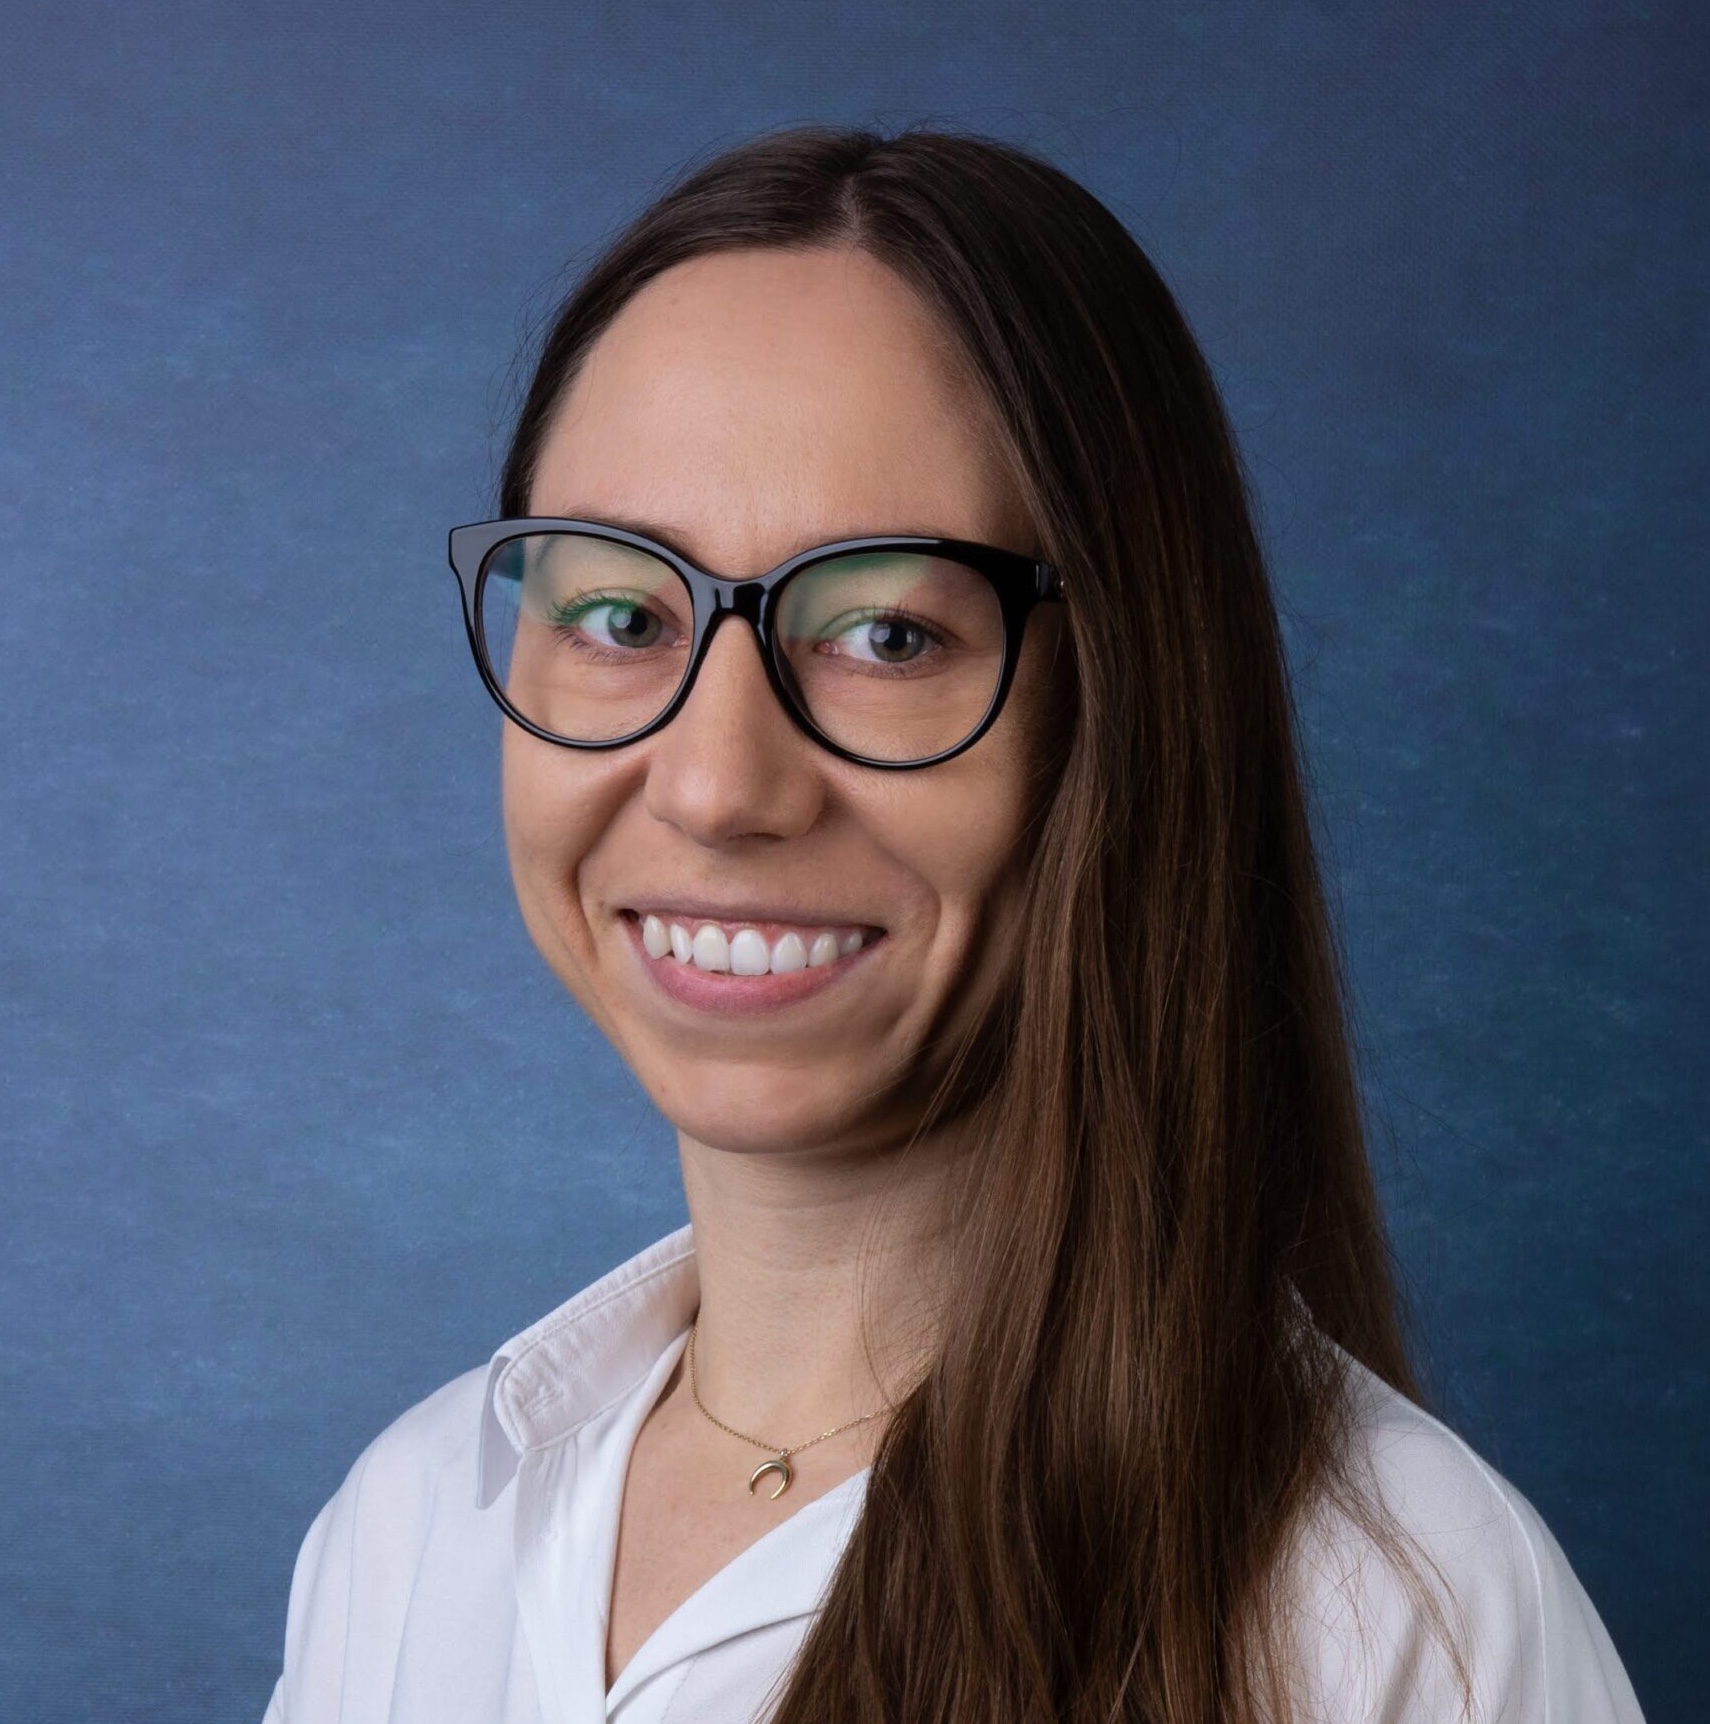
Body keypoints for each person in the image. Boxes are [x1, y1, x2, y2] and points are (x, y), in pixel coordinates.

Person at [261, 124, 1645, 1724]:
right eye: (621, 611)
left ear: (1122, 707)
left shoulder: (1395, 1620)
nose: (715, 785)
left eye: (887, 635)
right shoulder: (411, 1527)